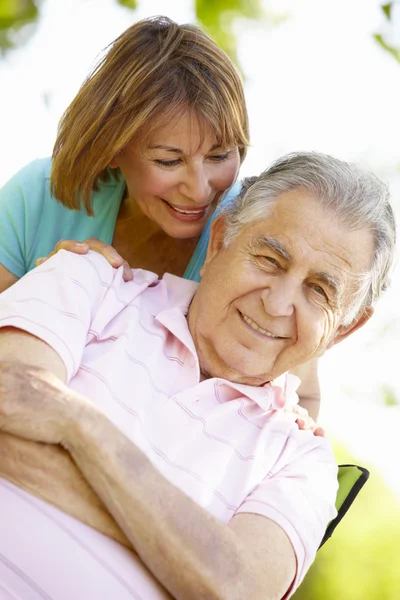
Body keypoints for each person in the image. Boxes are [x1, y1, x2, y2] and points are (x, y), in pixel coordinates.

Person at [0, 152, 395, 600]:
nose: (279, 303)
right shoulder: (88, 279)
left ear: (345, 327)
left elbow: (237, 589)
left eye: (318, 290)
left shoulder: (305, 462)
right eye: (270, 259)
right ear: (220, 242)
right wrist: (185, 549)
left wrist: (82, 426)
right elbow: (8, 402)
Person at [0, 15, 321, 418]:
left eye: (220, 155)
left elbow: (302, 397)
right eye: (169, 161)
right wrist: (43, 292)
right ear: (111, 148)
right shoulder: (39, 196)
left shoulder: (254, 231)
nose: (201, 188)